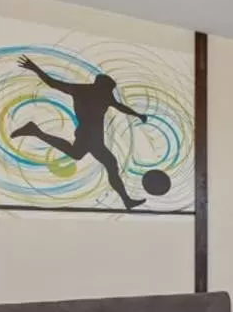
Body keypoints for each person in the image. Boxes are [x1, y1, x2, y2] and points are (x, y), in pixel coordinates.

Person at [9, 56, 148, 210]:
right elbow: (52, 83)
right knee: (107, 162)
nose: (111, 93)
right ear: (102, 86)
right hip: (89, 136)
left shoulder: (99, 94)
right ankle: (126, 200)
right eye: (110, 89)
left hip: (91, 136)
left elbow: (120, 106)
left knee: (79, 154)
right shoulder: (89, 91)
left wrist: (138, 115)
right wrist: (35, 68)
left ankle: (35, 131)